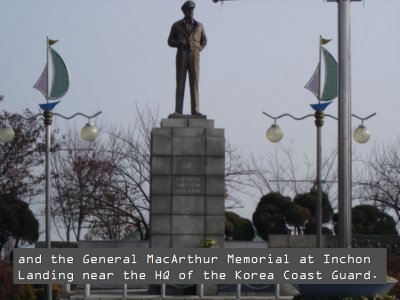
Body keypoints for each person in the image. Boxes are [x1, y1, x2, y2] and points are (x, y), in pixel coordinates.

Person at [168, 0, 207, 116]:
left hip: (194, 55)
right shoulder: (176, 25)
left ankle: (195, 110)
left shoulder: (199, 26)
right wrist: (179, 43)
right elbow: (170, 41)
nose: (191, 11)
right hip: (182, 54)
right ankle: (178, 110)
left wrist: (199, 48)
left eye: (192, 9)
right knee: (180, 82)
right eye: (188, 9)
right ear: (184, 10)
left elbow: (204, 40)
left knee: (194, 82)